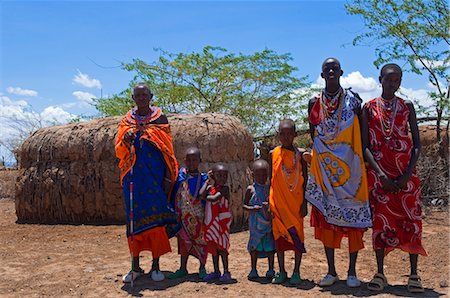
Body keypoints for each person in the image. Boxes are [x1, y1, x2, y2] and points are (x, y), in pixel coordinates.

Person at [305, 58, 371, 288]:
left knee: (353, 221)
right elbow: (315, 136)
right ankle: (331, 271)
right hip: (325, 170)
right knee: (325, 220)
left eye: (334, 68)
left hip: (351, 170)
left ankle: (352, 271)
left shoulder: (354, 101)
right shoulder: (314, 102)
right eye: (327, 69)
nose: (331, 71)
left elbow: (363, 136)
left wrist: (361, 163)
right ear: (322, 75)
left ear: (341, 72)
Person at [362, 63, 427, 293]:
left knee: (412, 221)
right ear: (380, 79)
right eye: (389, 79)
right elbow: (365, 147)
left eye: (397, 80)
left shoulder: (407, 106)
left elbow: (417, 144)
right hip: (380, 177)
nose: (393, 84)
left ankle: (413, 274)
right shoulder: (368, 108)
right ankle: (380, 272)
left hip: (406, 176)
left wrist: (408, 173)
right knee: (380, 223)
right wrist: (381, 174)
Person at [115, 83, 179, 283]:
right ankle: (135, 266)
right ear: (133, 98)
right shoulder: (126, 120)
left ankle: (156, 265)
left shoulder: (160, 119)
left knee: (157, 221)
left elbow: (167, 149)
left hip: (154, 177)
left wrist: (168, 177)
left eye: (145, 94)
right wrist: (126, 139)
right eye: (138, 95)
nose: (142, 98)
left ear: (151, 96)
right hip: (133, 179)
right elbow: (118, 148)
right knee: (133, 221)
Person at [269, 119, 309, 285]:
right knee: (279, 238)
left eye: (289, 134)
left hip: (295, 203)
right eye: (282, 134)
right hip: (278, 204)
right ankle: (282, 271)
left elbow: (305, 179)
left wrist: (305, 203)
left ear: (295, 135)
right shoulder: (273, 154)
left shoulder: (300, 155)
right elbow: (270, 178)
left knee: (297, 236)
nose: (285, 137)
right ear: (278, 135)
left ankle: (296, 271)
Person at [168, 147, 209, 280]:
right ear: (185, 161)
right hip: (183, 218)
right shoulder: (180, 176)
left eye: (194, 160)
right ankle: (182, 268)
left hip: (199, 217)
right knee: (183, 242)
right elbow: (174, 193)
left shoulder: (203, 178)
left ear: (200, 161)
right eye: (189, 160)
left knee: (201, 242)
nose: (191, 162)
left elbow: (204, 196)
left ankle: (202, 267)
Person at [243, 159, 276, 281]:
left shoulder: (269, 189)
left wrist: (269, 208)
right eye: (258, 175)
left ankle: (271, 268)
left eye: (264, 175)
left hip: (267, 224)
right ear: (253, 175)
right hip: (255, 225)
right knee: (254, 247)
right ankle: (253, 269)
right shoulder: (250, 189)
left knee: (270, 247)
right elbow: (244, 205)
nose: (261, 177)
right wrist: (252, 208)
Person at [200, 163, 232, 282]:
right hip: (212, 223)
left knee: (222, 248)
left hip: (222, 224)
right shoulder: (210, 188)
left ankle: (226, 272)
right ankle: (216, 271)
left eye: (225, 176)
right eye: (219, 176)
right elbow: (200, 194)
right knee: (214, 249)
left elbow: (213, 199)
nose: (222, 178)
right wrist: (208, 181)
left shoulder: (224, 189)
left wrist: (204, 197)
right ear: (214, 176)